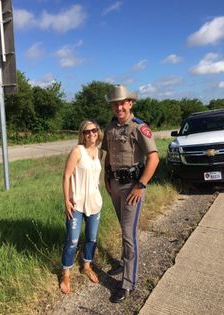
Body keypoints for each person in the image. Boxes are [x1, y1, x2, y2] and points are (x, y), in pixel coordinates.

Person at [101, 84, 159, 303]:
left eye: (122, 102)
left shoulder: (139, 127)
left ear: (130, 103)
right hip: (115, 185)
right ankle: (124, 263)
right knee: (124, 230)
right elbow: (108, 154)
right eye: (115, 103)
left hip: (132, 187)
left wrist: (141, 185)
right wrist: (107, 176)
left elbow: (154, 158)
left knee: (128, 234)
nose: (119, 107)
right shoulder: (111, 127)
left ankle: (127, 283)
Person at [60, 120, 103, 294]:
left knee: (92, 238)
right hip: (76, 204)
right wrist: (67, 201)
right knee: (72, 240)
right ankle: (66, 274)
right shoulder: (77, 151)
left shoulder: (100, 153)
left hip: (94, 203)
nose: (91, 134)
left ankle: (86, 265)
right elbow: (66, 176)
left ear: (98, 132)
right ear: (82, 134)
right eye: (87, 132)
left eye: (94, 130)